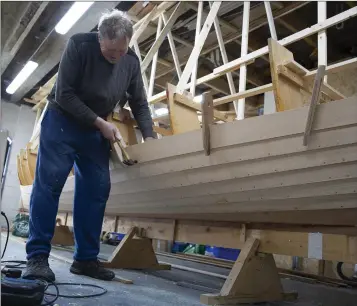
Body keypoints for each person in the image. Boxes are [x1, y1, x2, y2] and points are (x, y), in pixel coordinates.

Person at [23, 10, 154, 282]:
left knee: (96, 190)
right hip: (62, 120)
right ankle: (37, 257)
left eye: (121, 50)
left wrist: (150, 136)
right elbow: (65, 94)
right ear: (99, 39)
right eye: (110, 51)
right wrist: (100, 123)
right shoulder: (79, 44)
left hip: (95, 130)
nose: (116, 55)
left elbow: (139, 101)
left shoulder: (130, 61)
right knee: (49, 185)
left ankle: (85, 259)